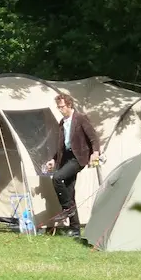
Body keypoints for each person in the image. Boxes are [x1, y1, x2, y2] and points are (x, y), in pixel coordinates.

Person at [44, 93, 100, 238]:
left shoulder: (80, 118)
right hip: (66, 157)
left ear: (69, 105)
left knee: (57, 178)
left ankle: (67, 209)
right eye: (58, 107)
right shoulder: (62, 122)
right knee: (69, 192)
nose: (60, 109)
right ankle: (75, 229)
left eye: (61, 107)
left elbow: (93, 137)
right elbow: (61, 146)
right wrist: (53, 160)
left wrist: (95, 152)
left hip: (78, 157)